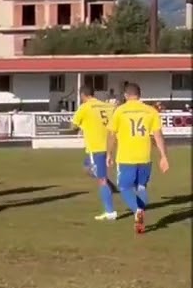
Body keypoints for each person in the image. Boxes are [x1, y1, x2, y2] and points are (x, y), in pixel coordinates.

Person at [106, 82, 171, 234]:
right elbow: (158, 135)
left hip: (126, 157)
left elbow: (112, 135)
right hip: (145, 157)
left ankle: (138, 211)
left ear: (125, 95)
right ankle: (140, 212)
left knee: (124, 187)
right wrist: (163, 156)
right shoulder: (150, 111)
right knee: (141, 187)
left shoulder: (119, 111)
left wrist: (109, 154)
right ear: (140, 95)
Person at [71, 85, 120, 221]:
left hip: (96, 147)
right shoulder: (107, 106)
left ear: (82, 95)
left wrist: (72, 128)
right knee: (87, 167)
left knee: (101, 179)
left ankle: (110, 212)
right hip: (108, 145)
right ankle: (110, 186)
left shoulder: (85, 108)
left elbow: (73, 126)